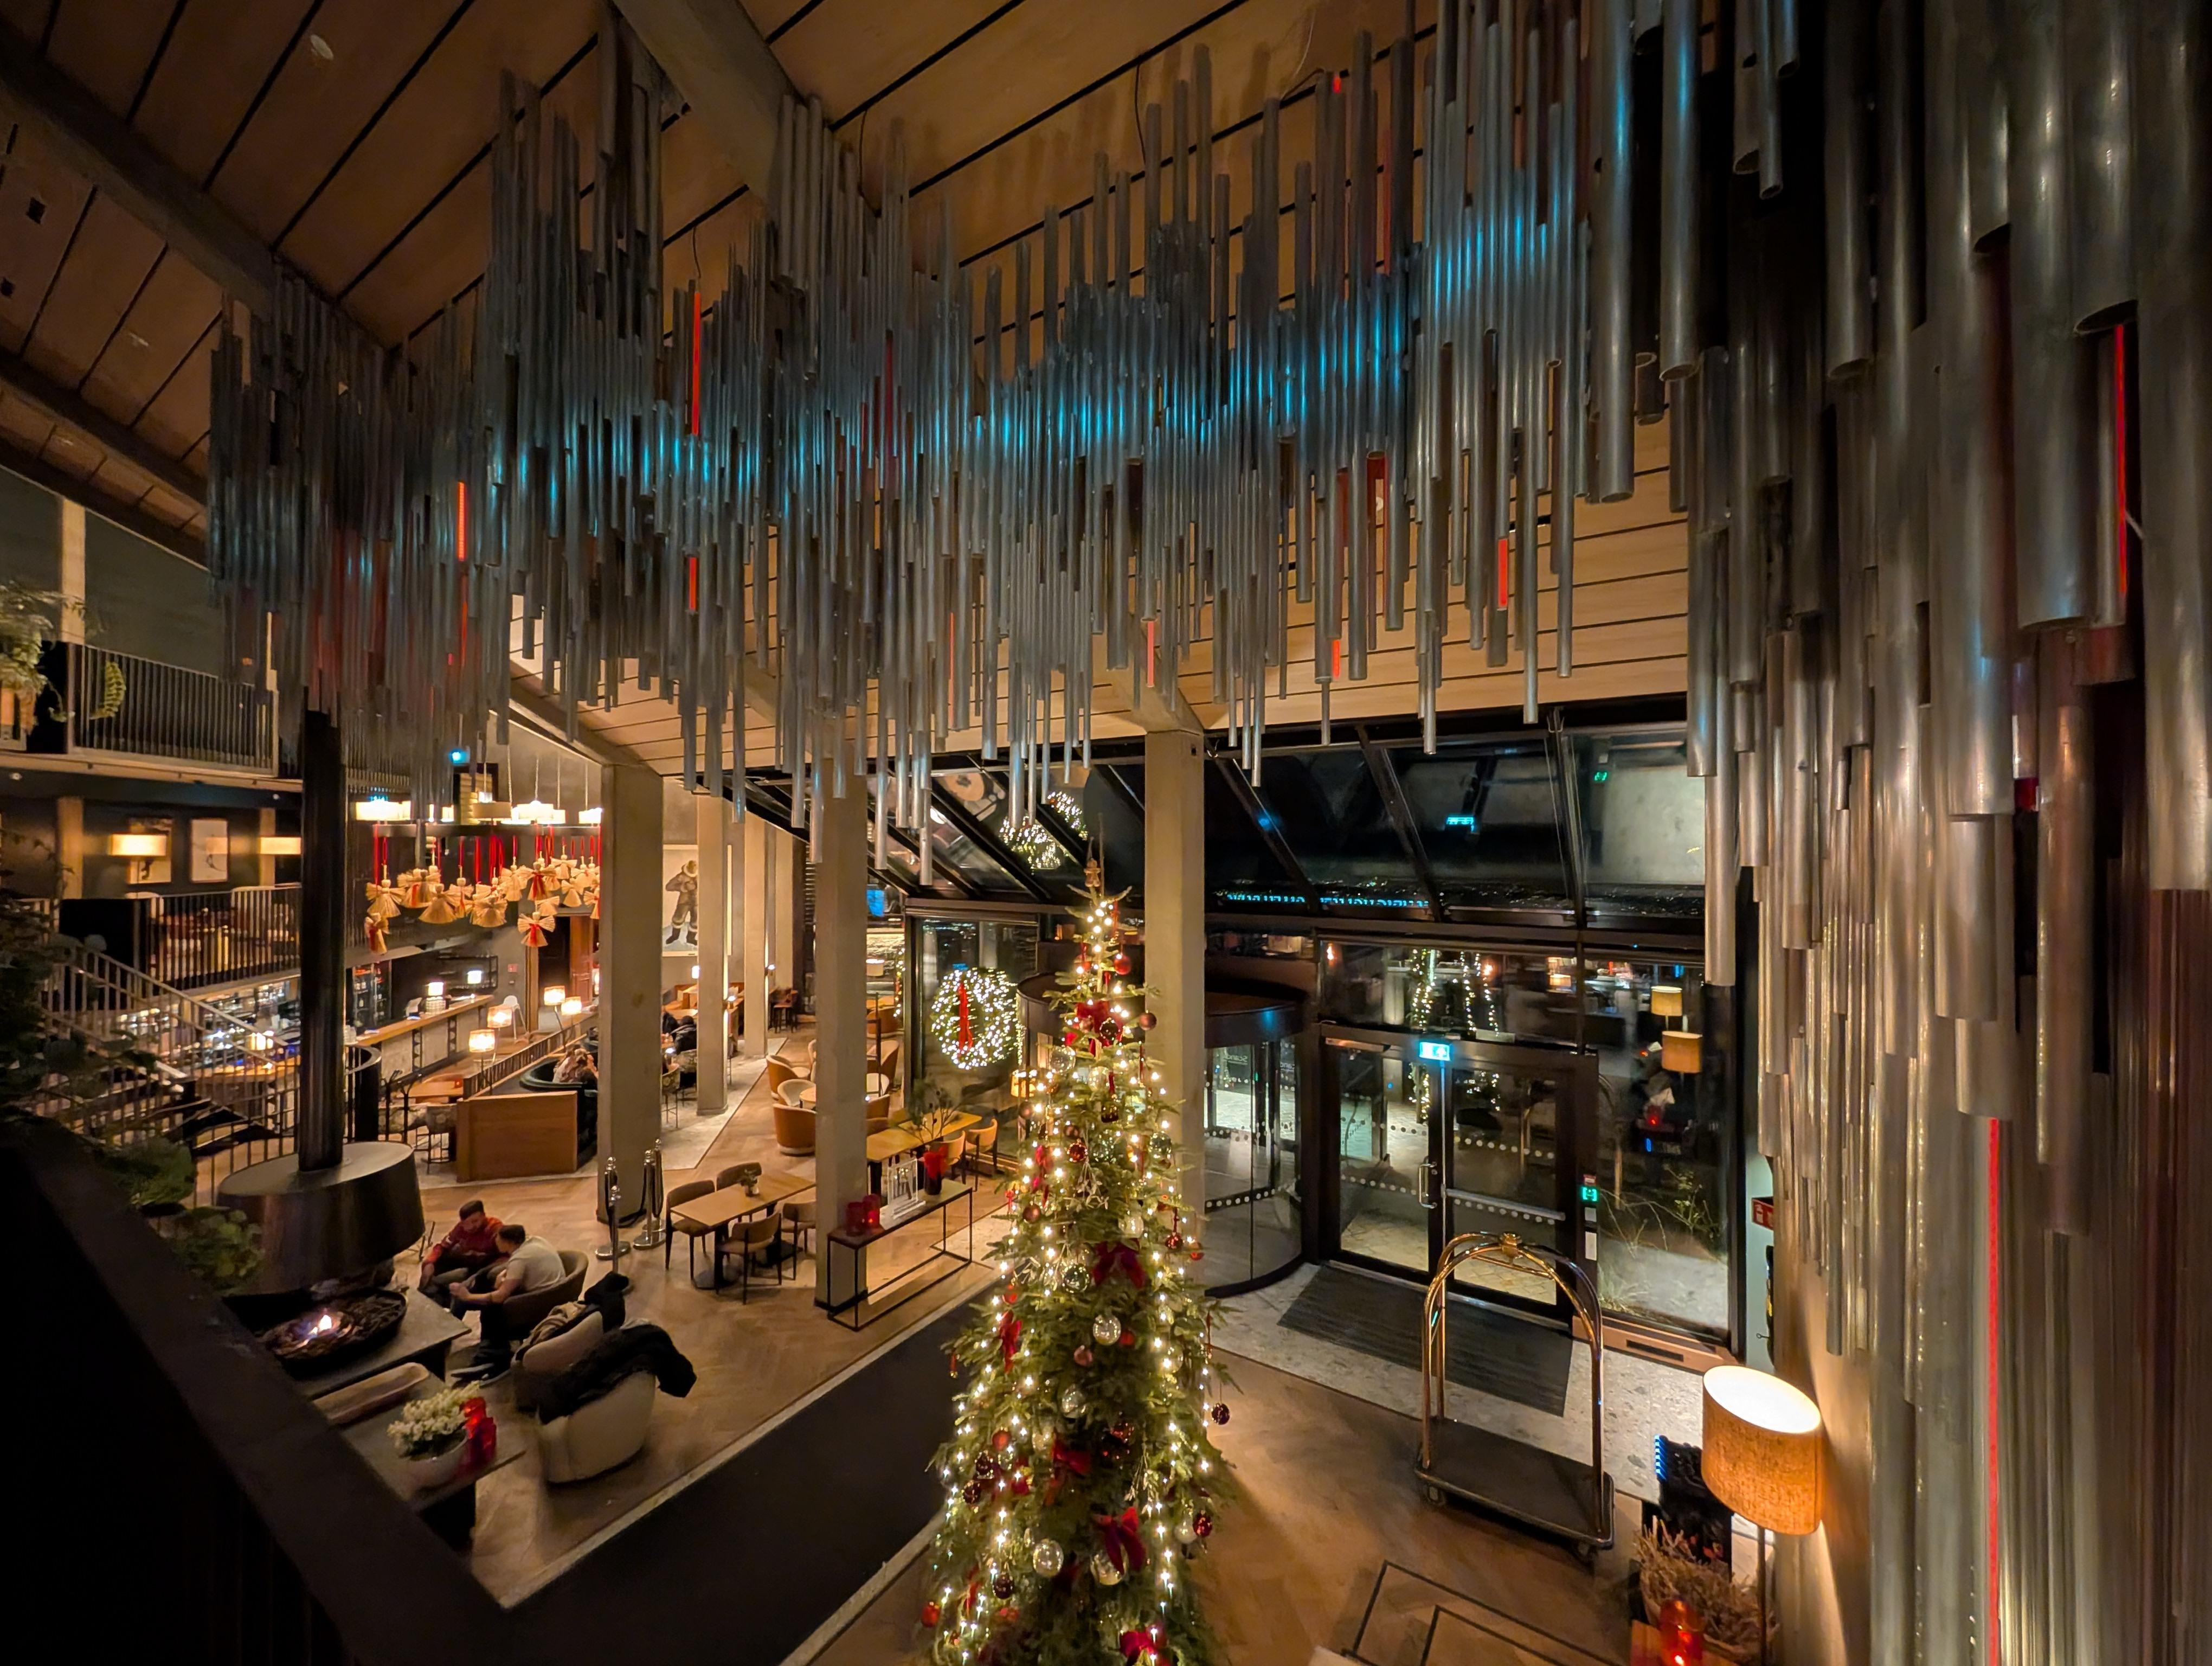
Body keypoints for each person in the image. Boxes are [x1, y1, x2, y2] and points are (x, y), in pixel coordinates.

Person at [451, 1223, 567, 1380]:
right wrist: (503, 1276)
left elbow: (500, 1296)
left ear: (508, 1242)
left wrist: (468, 1297)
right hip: (556, 1293)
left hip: (538, 1303)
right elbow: (518, 1266)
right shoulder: (535, 1241)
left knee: (491, 1306)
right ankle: (488, 1347)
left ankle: (493, 1356)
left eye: (498, 1239)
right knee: (487, 1281)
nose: (495, 1242)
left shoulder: (520, 1258)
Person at [416, 1200, 504, 1305]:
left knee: (438, 1282)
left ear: (483, 1216)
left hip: (482, 1267)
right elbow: (443, 1246)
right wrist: (430, 1262)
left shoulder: (494, 1228)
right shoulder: (460, 1228)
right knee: (438, 1262)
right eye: (466, 1223)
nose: (470, 1227)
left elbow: (505, 1253)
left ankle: (438, 1297)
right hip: (468, 1261)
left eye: (475, 1221)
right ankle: (429, 1297)